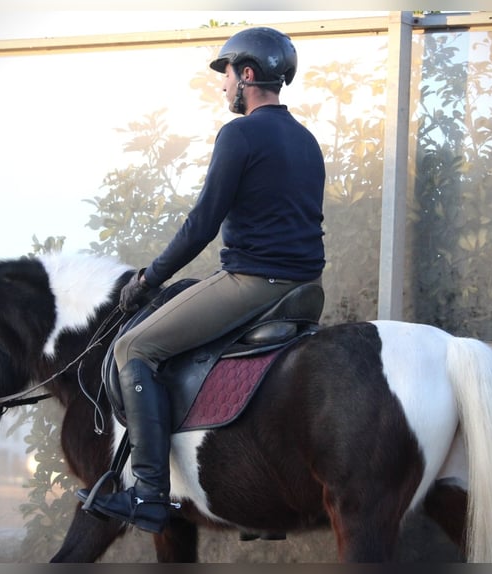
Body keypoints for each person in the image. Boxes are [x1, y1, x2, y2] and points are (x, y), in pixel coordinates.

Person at [77, 26, 326, 534]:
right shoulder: (306, 140)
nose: (223, 86)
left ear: (248, 75)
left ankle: (148, 492)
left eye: (227, 74)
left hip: (254, 282)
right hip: (305, 290)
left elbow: (202, 223)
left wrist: (150, 278)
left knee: (134, 349)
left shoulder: (239, 134)